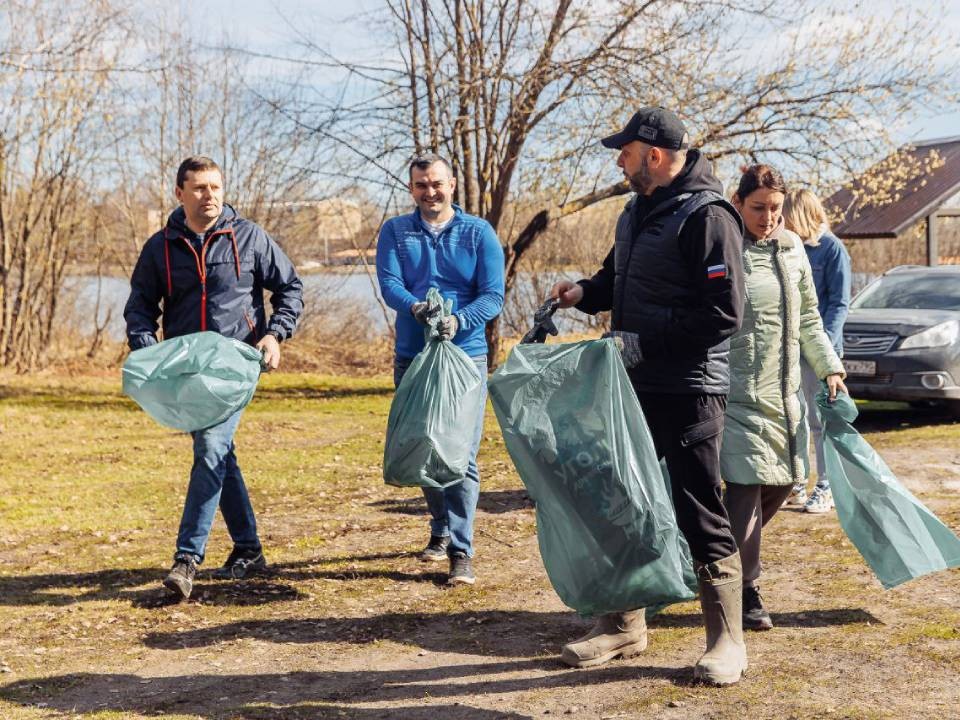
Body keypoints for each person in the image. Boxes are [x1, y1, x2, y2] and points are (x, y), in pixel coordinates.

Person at [550, 107, 748, 685]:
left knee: (697, 511)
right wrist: (583, 292)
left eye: (626, 151)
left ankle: (727, 641)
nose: (619, 160)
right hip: (634, 386)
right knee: (624, 502)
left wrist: (644, 342)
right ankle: (623, 625)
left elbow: (723, 314)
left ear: (655, 155)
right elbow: (617, 281)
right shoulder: (637, 212)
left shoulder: (709, 217)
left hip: (689, 391)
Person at [124, 155, 303, 601]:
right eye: (200, 188)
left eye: (216, 187)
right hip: (187, 371)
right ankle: (248, 547)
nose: (210, 196)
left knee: (210, 448)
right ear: (180, 193)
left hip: (236, 365)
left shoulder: (249, 237)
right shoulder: (160, 247)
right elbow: (140, 306)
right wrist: (148, 349)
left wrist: (275, 335)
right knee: (221, 455)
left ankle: (187, 560)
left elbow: (290, 288)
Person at [723, 165, 846, 631]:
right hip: (734, 391)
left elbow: (811, 318)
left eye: (775, 208)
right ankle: (746, 589)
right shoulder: (725, 245)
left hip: (784, 390)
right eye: (758, 208)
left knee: (783, 482)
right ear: (738, 203)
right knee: (746, 485)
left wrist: (829, 365)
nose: (768, 217)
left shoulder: (793, 248)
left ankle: (717, 560)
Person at [376, 153, 505, 586]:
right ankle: (440, 526)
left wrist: (460, 320)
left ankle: (462, 551)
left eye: (436, 184)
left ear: (451, 185)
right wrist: (415, 307)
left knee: (461, 456)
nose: (430, 192)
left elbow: (493, 295)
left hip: (464, 358)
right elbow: (390, 284)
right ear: (411, 188)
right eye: (420, 185)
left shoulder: (478, 233)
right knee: (424, 448)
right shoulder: (396, 231)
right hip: (413, 356)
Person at [783, 189, 851, 514]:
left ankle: (827, 486)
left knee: (819, 421)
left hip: (820, 351)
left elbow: (839, 302)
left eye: (787, 216)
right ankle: (798, 482)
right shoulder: (790, 248)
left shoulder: (832, 249)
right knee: (794, 418)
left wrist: (824, 347)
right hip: (791, 349)